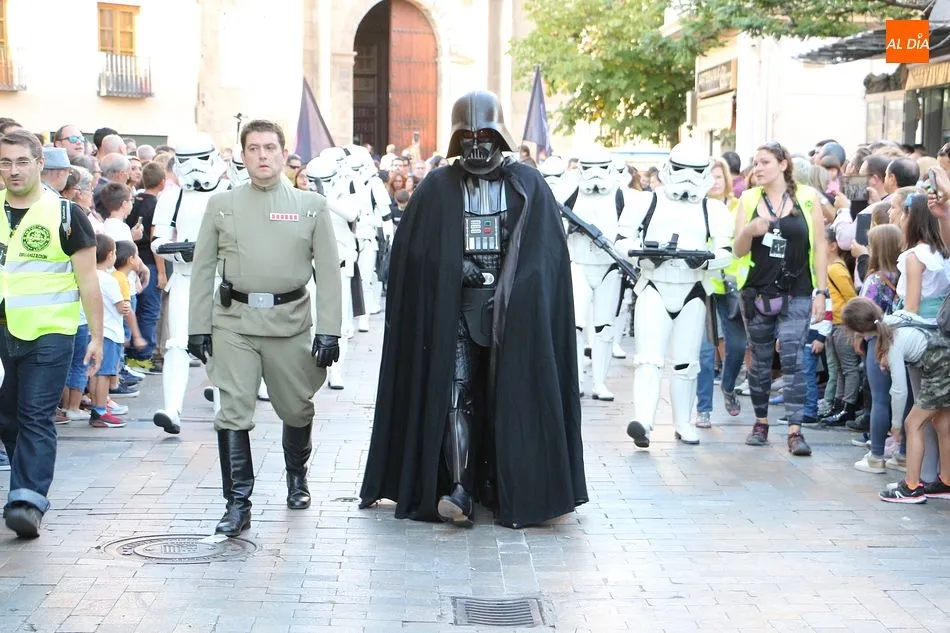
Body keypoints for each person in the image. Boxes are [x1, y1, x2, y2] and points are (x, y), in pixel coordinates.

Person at [359, 90, 587, 529]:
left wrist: (515, 284)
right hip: (457, 308)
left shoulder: (528, 185)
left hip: (512, 312)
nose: (477, 143)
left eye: (484, 134)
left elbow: (545, 258)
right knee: (455, 393)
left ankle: (514, 489)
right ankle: (460, 487)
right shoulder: (438, 188)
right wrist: (452, 266)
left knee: (513, 394)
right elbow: (413, 254)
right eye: (468, 135)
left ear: (499, 135)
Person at [189, 119, 342, 537]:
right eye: (254, 148)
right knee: (232, 410)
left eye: (270, 148)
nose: (262, 156)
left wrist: (329, 330)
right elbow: (202, 268)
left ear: (283, 153)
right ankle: (237, 504)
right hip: (233, 323)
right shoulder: (222, 205)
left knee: (296, 407)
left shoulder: (311, 206)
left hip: (289, 324)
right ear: (243, 155)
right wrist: (198, 327)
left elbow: (329, 272)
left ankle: (297, 476)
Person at [0, 130, 103, 538]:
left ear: (40, 164)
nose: (13, 170)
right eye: (5, 162)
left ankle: (27, 501)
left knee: (35, 414)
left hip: (50, 333)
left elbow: (89, 283)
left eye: (22, 161)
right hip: (2, 332)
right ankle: (23, 487)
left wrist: (96, 338)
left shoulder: (66, 216)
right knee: (7, 417)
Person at [616, 143, 734, 446]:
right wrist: (644, 255)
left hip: (692, 288)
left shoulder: (713, 209)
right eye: (681, 170)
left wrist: (703, 260)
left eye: (695, 172)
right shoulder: (647, 202)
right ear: (670, 168)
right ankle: (644, 421)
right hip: (654, 285)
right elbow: (621, 240)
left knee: (686, 363)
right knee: (648, 360)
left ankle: (683, 422)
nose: (687, 178)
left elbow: (726, 250)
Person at [731, 142, 828, 456]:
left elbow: (820, 247)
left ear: (783, 164)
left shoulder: (808, 198)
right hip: (756, 292)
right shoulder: (748, 198)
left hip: (797, 290)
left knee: (792, 358)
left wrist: (822, 292)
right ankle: (760, 423)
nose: (758, 168)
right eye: (755, 162)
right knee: (760, 361)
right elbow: (738, 250)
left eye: (765, 162)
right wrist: (750, 230)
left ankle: (795, 431)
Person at [150, 134, 229, 434]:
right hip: (185, 277)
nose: (194, 167)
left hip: (222, 279)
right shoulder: (173, 197)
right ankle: (172, 409)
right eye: (186, 161)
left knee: (223, 344)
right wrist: (177, 250)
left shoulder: (231, 192)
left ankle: (224, 409)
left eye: (200, 159)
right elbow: (158, 240)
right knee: (176, 344)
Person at [842, 298, 950, 503]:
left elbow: (899, 390)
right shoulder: (895, 318)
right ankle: (946, 481)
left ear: (859, 331)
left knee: (913, 424)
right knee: (943, 423)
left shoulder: (891, 342)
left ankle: (911, 487)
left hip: (940, 368)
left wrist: (896, 425)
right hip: (945, 355)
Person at [563, 147, 626, 401]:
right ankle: (576, 379)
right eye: (589, 168)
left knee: (604, 327)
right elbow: (556, 222)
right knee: (576, 325)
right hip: (579, 263)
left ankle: (599, 381)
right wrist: (571, 228)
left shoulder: (619, 194)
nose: (596, 174)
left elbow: (627, 231)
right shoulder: (571, 190)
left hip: (608, 266)